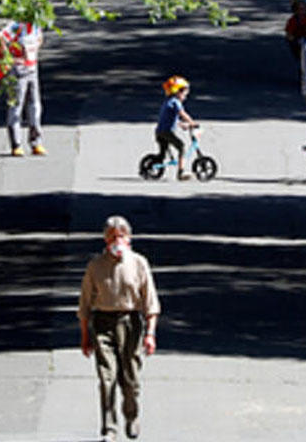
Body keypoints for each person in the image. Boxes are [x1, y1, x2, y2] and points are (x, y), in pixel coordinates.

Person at [78, 216, 161, 442]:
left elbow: (150, 302)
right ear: (105, 240)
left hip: (131, 323)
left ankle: (131, 415)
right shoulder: (95, 266)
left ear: (129, 238)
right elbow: (84, 304)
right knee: (107, 378)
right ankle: (109, 429)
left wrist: (150, 334)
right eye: (112, 236)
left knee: (130, 379)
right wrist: (85, 336)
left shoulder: (138, 263)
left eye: (121, 236)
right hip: (103, 323)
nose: (117, 241)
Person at [0, 20, 47, 156]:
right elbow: (0, 38)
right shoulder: (17, 26)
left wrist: (32, 53)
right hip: (18, 71)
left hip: (32, 69)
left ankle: (36, 143)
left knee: (35, 106)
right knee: (16, 106)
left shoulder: (35, 25)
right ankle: (16, 144)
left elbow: (40, 38)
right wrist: (9, 58)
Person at [155, 75, 198, 181]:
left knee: (163, 152)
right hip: (166, 132)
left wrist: (181, 124)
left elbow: (169, 119)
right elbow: (182, 113)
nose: (185, 96)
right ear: (177, 92)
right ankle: (181, 173)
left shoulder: (168, 102)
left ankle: (153, 166)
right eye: (184, 93)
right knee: (181, 147)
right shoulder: (175, 102)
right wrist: (191, 122)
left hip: (160, 132)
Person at [285, 0, 306, 84]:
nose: (302, 12)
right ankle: (305, 75)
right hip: (297, 42)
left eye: (304, 9)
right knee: (302, 58)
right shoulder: (292, 21)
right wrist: (292, 38)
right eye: (299, 9)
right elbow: (289, 32)